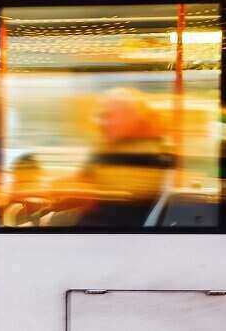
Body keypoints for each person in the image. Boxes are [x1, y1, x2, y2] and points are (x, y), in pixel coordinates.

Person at [43, 88, 173, 227]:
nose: (103, 122)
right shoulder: (108, 146)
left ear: (131, 117)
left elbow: (110, 200)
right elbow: (83, 178)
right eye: (102, 116)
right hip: (91, 217)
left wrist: (65, 197)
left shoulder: (149, 153)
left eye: (110, 116)